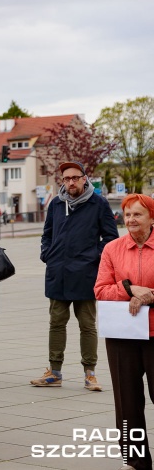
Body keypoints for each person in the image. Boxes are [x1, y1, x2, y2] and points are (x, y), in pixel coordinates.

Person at [32, 161, 117, 390]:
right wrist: (47, 254)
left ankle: (90, 373)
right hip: (57, 272)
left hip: (85, 274)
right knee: (56, 323)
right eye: (66, 178)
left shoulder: (98, 204)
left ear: (84, 178)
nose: (70, 182)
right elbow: (47, 234)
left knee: (87, 325)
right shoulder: (56, 204)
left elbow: (111, 237)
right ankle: (55, 372)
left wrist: (93, 258)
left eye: (75, 178)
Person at [95, 193, 154, 470]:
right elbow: (100, 290)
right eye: (127, 214)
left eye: (137, 214)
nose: (130, 219)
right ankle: (135, 461)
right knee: (127, 403)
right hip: (122, 335)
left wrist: (150, 295)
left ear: (151, 217)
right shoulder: (112, 249)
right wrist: (129, 289)